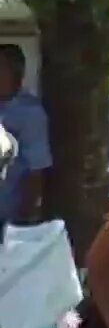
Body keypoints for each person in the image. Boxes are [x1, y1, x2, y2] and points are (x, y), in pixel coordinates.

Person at [0, 44, 50, 226]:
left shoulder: (29, 113)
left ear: (15, 72)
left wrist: (26, 216)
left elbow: (36, 170)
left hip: (8, 218)